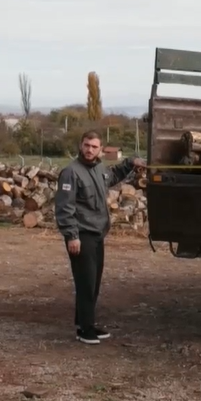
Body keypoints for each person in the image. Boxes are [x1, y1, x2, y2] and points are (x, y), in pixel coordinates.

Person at [54, 131, 145, 344]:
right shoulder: (71, 172)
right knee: (85, 282)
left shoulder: (98, 169)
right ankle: (84, 331)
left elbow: (112, 176)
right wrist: (71, 236)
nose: (89, 150)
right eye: (86, 145)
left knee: (93, 282)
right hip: (81, 234)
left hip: (97, 233)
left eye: (94, 147)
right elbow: (64, 207)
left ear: (100, 149)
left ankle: (85, 322)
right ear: (80, 145)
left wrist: (131, 162)